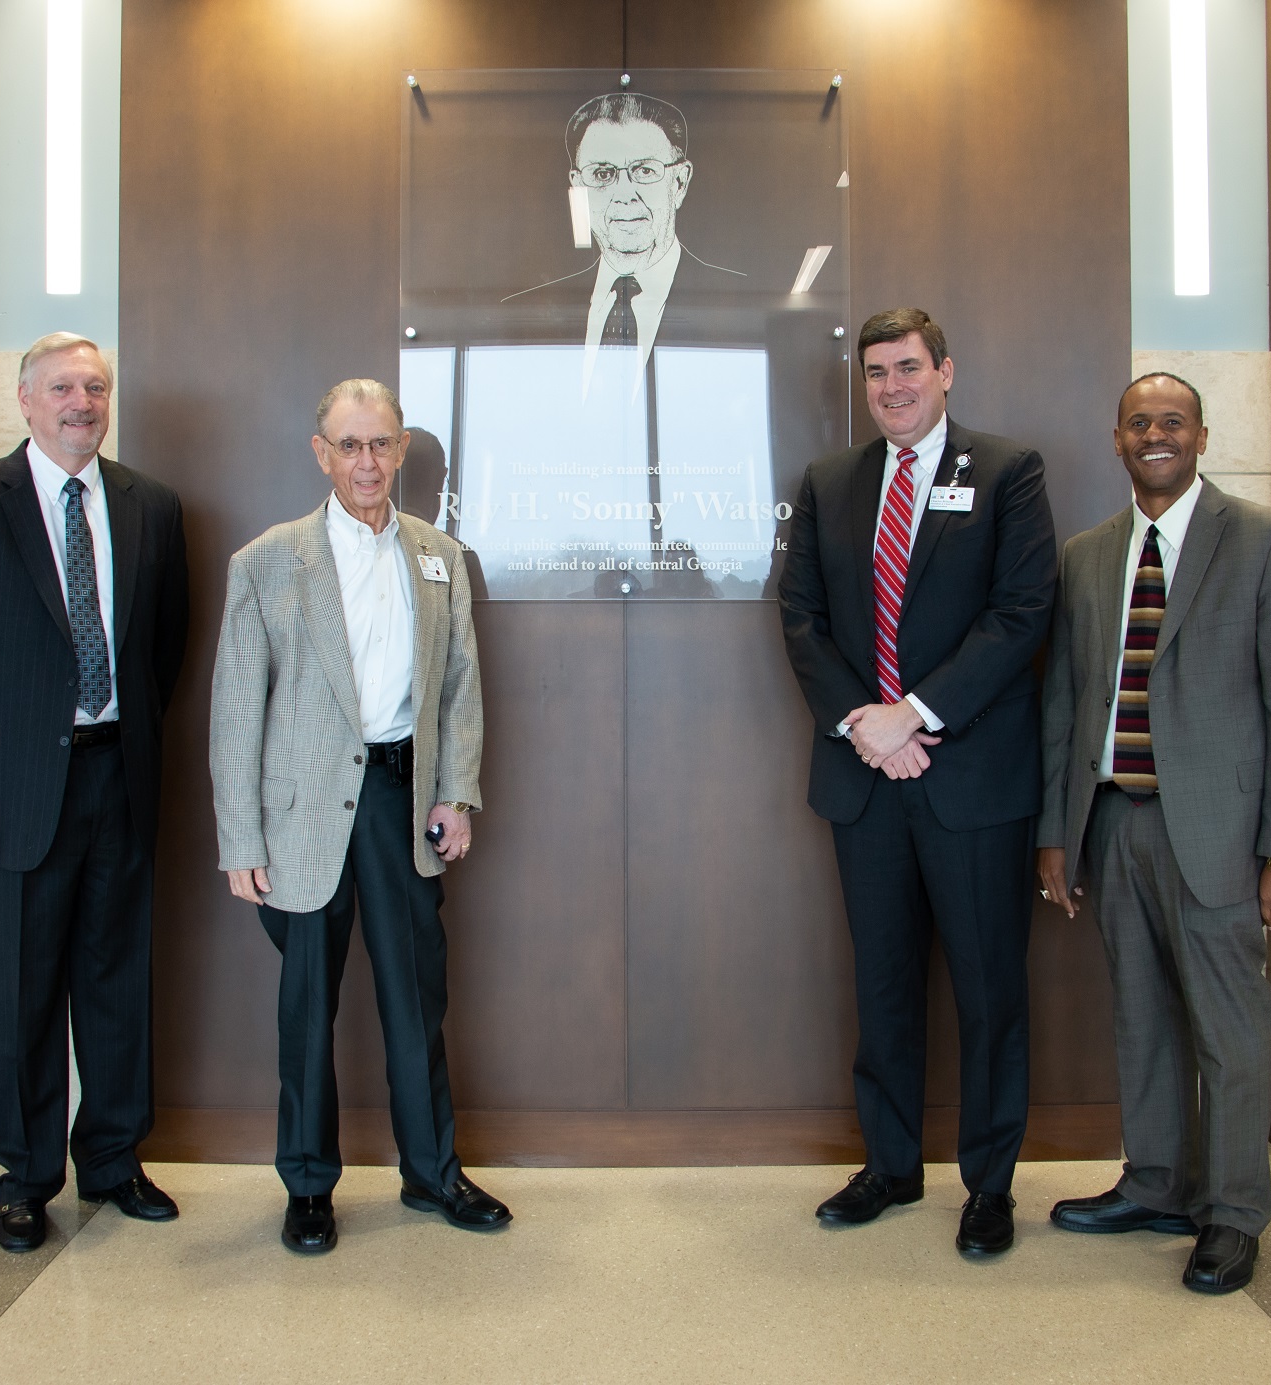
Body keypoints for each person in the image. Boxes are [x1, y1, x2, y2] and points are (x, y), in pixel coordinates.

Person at [1035, 373, 1271, 1294]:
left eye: (1173, 421)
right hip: (1114, 822)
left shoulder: (1265, 541)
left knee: (1229, 1029)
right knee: (1143, 1018)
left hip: (1221, 832)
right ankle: (1158, 1182)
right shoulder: (1088, 555)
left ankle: (1234, 1211)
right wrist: (1057, 832)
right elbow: (1064, 703)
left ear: (1202, 437)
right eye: (1139, 423)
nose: (1155, 434)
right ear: (1116, 439)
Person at [778, 308, 1056, 1256]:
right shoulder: (829, 483)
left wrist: (918, 713)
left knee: (988, 990)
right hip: (867, 778)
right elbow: (803, 619)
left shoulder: (1010, 472)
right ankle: (891, 1164)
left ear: (946, 371)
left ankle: (989, 1185)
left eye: (907, 369)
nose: (891, 387)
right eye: (876, 374)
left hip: (971, 779)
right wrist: (868, 723)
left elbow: (1022, 615)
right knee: (885, 983)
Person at [0, 332, 191, 1252]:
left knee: (115, 981)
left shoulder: (154, 504)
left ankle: (111, 1158)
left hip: (120, 775)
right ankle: (26, 1176)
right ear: (26, 401)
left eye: (96, 386)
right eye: (62, 387)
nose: (81, 402)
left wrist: (125, 734)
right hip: (10, 789)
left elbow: (164, 649)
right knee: (20, 989)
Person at [209, 378, 507, 1255]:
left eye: (380, 444)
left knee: (416, 999)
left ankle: (432, 1171)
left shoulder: (439, 555)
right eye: (349, 444)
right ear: (320, 452)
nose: (366, 461)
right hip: (300, 817)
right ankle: (307, 1184)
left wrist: (455, 791)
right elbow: (235, 710)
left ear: (402, 448)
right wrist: (240, 838)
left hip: (402, 801)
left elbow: (458, 687)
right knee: (306, 1007)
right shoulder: (267, 559)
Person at [503, 90, 744, 384]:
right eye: (603, 174)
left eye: (644, 170)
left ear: (679, 183)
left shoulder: (736, 302)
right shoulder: (525, 313)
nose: (624, 195)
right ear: (579, 188)